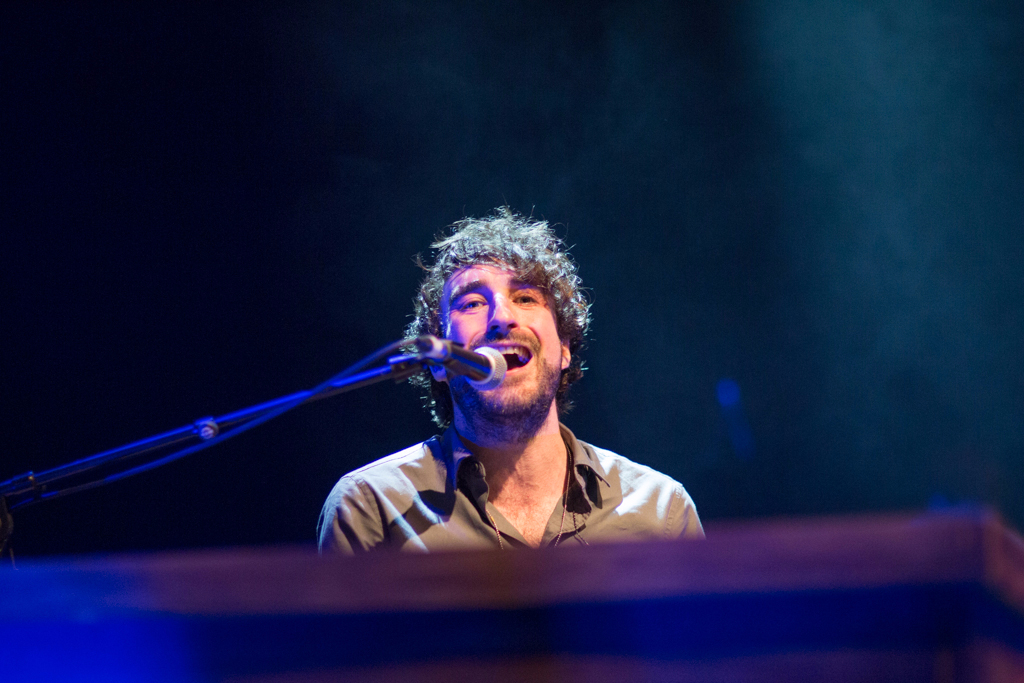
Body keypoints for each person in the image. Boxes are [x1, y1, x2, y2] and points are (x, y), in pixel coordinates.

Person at [318, 208, 703, 552]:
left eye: (526, 298)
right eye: (472, 303)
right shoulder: (373, 507)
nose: (501, 317)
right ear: (437, 362)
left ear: (564, 347)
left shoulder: (660, 512)